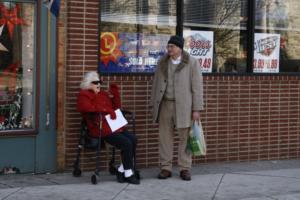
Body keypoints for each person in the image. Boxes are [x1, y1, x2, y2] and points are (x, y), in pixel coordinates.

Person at [151, 35, 204, 181]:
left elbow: (197, 87)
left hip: (184, 107)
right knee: (165, 138)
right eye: (168, 46)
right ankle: (165, 168)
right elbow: (156, 84)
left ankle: (184, 168)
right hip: (165, 104)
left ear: (179, 48)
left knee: (185, 138)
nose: (169, 49)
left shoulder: (191, 63)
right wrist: (154, 104)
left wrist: (196, 109)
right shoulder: (162, 62)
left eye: (171, 47)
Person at [77, 71, 140, 185]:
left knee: (133, 139)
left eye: (99, 82)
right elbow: (86, 107)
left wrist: (115, 93)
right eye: (95, 82)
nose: (98, 84)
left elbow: (116, 107)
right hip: (99, 127)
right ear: (88, 83)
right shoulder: (84, 95)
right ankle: (128, 173)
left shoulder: (103, 94)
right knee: (126, 143)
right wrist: (106, 110)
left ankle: (122, 170)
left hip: (114, 125)